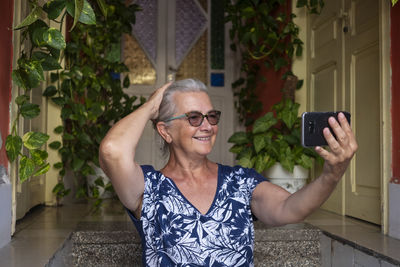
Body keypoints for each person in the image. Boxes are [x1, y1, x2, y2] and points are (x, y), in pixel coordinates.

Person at [99, 79, 358, 266]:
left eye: (212, 117)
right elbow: (112, 151)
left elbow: (290, 208)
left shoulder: (239, 182)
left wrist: (331, 175)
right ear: (165, 131)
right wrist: (151, 105)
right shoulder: (149, 188)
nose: (207, 126)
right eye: (193, 118)